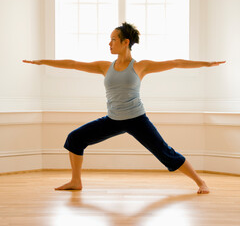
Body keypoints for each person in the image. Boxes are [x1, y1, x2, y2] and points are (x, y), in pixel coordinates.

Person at [23, 22, 226, 194]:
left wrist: (206, 64)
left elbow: (176, 63)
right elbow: (73, 64)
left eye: (113, 39)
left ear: (125, 42)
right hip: (113, 120)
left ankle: (201, 182)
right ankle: (76, 182)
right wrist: (42, 62)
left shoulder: (141, 66)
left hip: (137, 119)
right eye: (109, 39)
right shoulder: (105, 66)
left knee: (165, 152)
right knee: (75, 138)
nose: (109, 43)